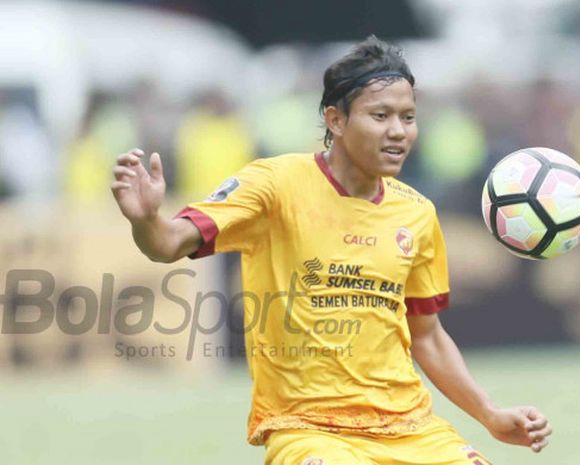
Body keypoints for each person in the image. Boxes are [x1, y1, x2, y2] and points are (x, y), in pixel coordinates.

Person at [111, 36, 552, 465]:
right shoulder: (274, 185)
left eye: (408, 116)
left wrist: (490, 414)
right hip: (308, 430)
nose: (398, 131)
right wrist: (146, 219)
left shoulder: (416, 212)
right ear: (336, 120)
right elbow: (167, 244)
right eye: (380, 115)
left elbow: (427, 336)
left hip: (411, 428)